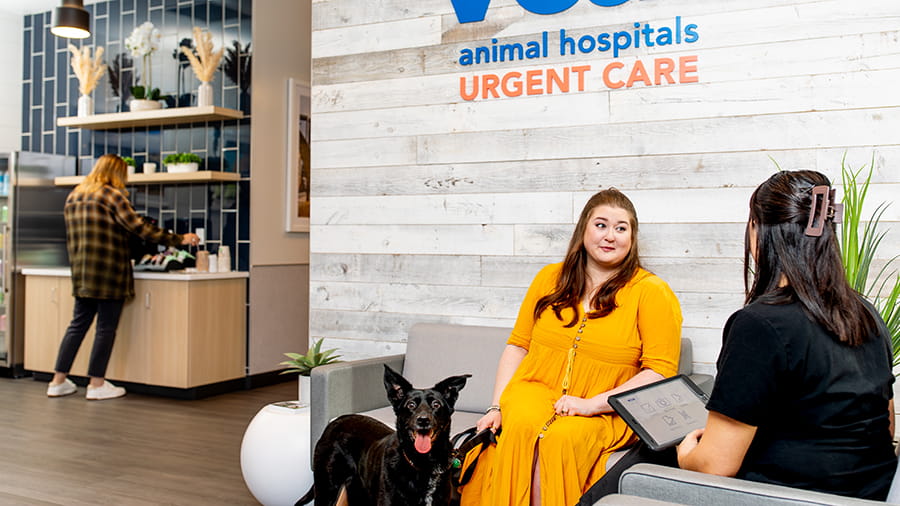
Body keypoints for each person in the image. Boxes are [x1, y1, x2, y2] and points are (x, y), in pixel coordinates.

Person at [676, 170, 897, 500]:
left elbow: (715, 466)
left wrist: (687, 455)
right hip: (871, 493)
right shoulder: (865, 312)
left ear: (759, 232)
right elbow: (887, 425)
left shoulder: (759, 325)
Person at [460, 188, 683, 506]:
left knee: (560, 438)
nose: (610, 236)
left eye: (621, 228)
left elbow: (659, 371)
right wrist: (495, 407)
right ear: (584, 230)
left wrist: (593, 404)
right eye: (601, 224)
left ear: (632, 238)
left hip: (607, 407)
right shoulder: (549, 278)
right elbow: (518, 346)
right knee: (520, 424)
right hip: (535, 390)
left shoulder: (652, 292)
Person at [46, 154, 200, 400]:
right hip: (109, 272)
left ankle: (57, 381)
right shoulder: (112, 195)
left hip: (82, 271)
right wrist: (178, 239)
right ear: (117, 172)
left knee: (77, 326)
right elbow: (140, 227)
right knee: (105, 328)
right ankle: (96, 385)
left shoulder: (75, 195)